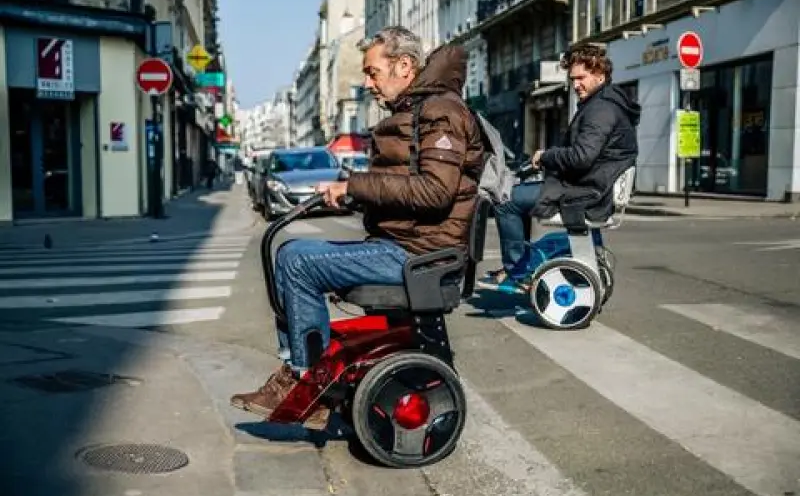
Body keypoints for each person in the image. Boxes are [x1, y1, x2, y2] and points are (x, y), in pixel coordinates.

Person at [230, 26, 485, 428]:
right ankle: (303, 370)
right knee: (288, 250)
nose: (367, 83)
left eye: (372, 72)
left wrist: (356, 185)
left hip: (419, 253)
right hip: (406, 244)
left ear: (404, 66)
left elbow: (435, 191)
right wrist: (351, 193)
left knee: (297, 261)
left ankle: (305, 382)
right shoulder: (419, 109)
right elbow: (405, 185)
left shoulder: (441, 111)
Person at [478, 44, 640, 295]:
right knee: (517, 191)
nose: (576, 85)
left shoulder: (601, 109)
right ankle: (525, 264)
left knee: (505, 200)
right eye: (572, 78)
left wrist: (546, 156)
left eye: (581, 78)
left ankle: (518, 273)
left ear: (600, 75)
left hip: (588, 191)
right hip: (592, 185)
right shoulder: (606, 103)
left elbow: (582, 156)